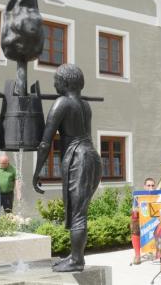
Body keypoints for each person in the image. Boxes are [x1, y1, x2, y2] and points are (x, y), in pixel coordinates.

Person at [33, 64, 102, 272]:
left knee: (78, 214)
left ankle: (77, 260)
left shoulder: (62, 102)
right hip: (91, 156)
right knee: (79, 211)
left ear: (65, 82)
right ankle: (74, 255)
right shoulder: (85, 105)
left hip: (78, 158)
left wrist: (37, 171)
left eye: (56, 80)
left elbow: (46, 142)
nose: (54, 83)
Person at [131, 177, 157, 264]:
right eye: (149, 185)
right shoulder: (139, 196)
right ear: (144, 186)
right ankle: (137, 255)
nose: (151, 188)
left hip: (155, 218)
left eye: (153, 185)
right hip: (142, 217)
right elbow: (134, 210)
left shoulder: (158, 196)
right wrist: (139, 208)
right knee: (135, 225)